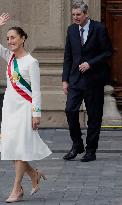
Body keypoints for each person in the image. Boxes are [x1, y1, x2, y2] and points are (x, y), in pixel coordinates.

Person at [0, 13, 51, 203]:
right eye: (7, 39)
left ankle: (16, 189)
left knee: (21, 149)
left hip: (25, 110)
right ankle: (33, 175)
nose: (9, 42)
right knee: (12, 148)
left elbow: (37, 91)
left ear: (23, 39)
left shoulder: (31, 62)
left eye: (13, 37)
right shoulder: (10, 57)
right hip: (9, 108)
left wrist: (36, 114)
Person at [62, 1, 112, 162]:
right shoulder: (71, 30)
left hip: (94, 80)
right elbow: (68, 57)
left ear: (86, 14)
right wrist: (65, 80)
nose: (75, 17)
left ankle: (91, 150)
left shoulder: (99, 28)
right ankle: (77, 145)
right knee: (70, 110)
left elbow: (107, 52)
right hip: (75, 80)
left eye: (78, 15)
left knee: (94, 116)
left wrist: (91, 63)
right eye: (73, 15)